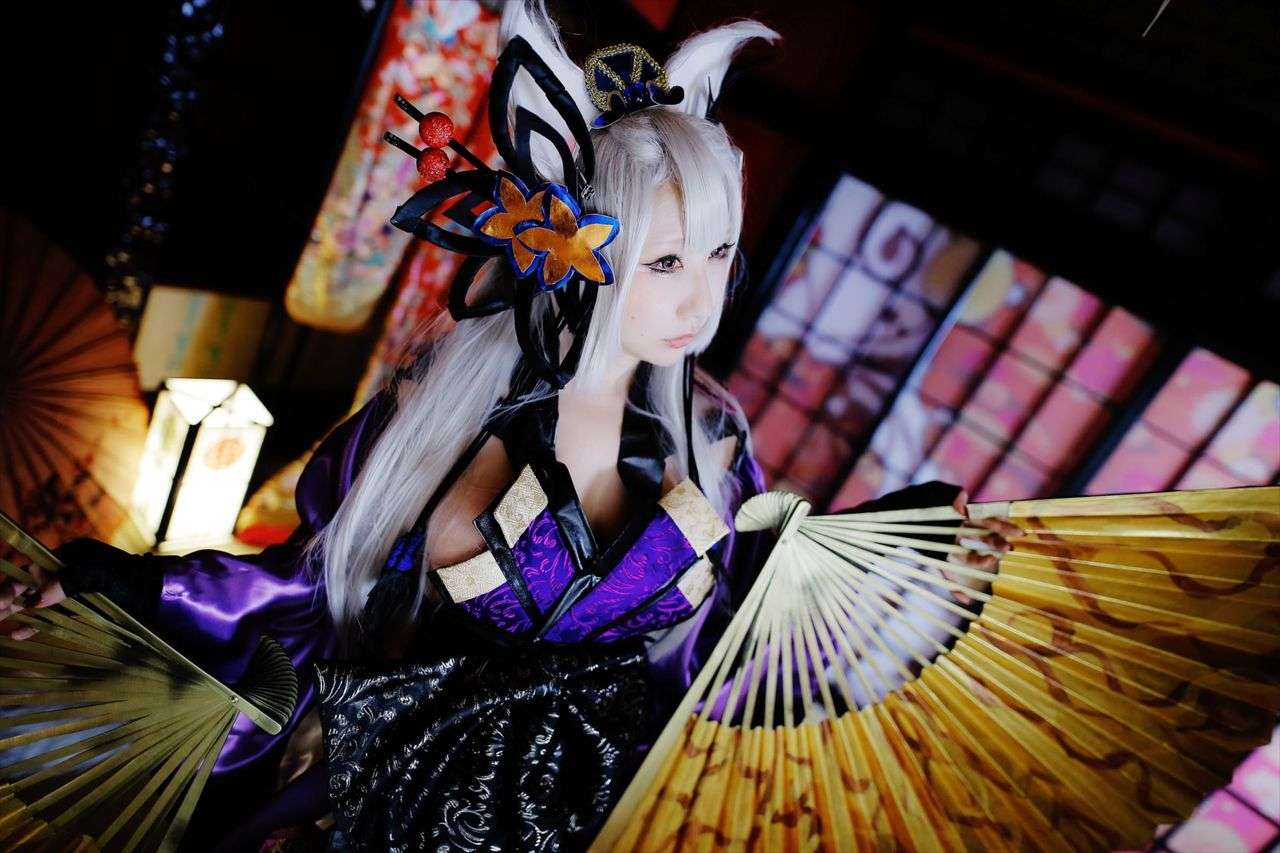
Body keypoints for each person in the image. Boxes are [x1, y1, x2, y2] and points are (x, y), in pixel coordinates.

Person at [0, 2, 1014, 849]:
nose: (701, 297)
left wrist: (909, 547)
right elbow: (300, 589)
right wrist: (123, 588)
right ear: (575, 251)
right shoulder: (443, 418)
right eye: (665, 261)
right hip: (388, 803)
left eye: (718, 253)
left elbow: (739, 637)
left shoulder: (709, 439)